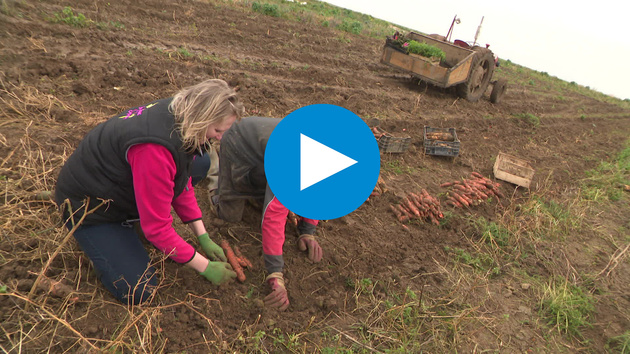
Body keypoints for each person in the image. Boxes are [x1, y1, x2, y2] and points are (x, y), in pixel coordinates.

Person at [54, 79, 244, 305]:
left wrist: (202, 236)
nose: (220, 137)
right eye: (217, 130)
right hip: (92, 207)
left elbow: (181, 180)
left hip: (119, 184)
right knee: (138, 289)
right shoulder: (155, 149)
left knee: (200, 161)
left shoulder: (181, 114)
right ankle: (105, 249)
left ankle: (131, 225)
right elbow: (157, 229)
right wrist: (205, 267)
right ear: (201, 117)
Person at [211, 116, 323, 311]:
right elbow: (273, 216)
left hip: (267, 149)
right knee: (229, 216)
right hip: (239, 141)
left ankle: (257, 185)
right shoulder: (293, 164)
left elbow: (318, 195)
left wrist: (308, 230)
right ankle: (214, 174)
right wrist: (275, 272)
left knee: (269, 192)